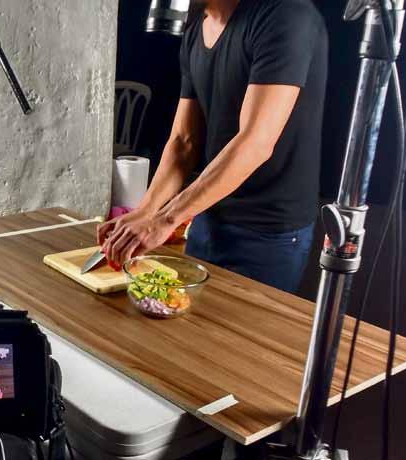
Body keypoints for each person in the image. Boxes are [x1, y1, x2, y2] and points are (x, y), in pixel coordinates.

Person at [99, 0, 328, 293]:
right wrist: (145, 212)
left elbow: (255, 142)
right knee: (185, 316)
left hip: (267, 232)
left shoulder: (285, 15)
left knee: (234, 325)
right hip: (207, 217)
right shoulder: (197, 29)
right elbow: (184, 142)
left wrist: (165, 219)